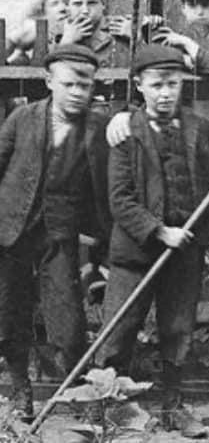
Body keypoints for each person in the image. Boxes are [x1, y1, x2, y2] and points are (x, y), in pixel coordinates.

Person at [96, 44, 209, 437]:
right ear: (139, 86)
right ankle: (110, 408)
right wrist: (159, 230)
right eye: (157, 85)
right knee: (120, 327)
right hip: (137, 251)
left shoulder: (196, 125)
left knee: (178, 327)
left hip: (185, 248)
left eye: (174, 84)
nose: (166, 93)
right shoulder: (125, 132)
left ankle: (173, 406)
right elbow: (120, 200)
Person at [0, 44, 111, 421]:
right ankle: (20, 392)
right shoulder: (23, 118)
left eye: (86, 85)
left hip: (59, 235)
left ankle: (82, 399)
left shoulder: (98, 128)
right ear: (49, 82)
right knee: (8, 314)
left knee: (68, 319)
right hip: (10, 230)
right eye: (69, 84)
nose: (78, 93)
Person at [59, 0, 129, 67]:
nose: (85, 10)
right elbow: (47, 75)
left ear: (103, 4)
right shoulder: (58, 34)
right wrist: (66, 43)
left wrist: (136, 39)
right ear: (67, 6)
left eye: (92, 3)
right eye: (78, 4)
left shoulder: (119, 30)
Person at [6, 0, 67, 65]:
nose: (62, 8)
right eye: (55, 4)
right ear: (44, 10)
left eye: (66, 3)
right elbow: (10, 42)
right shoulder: (37, 29)